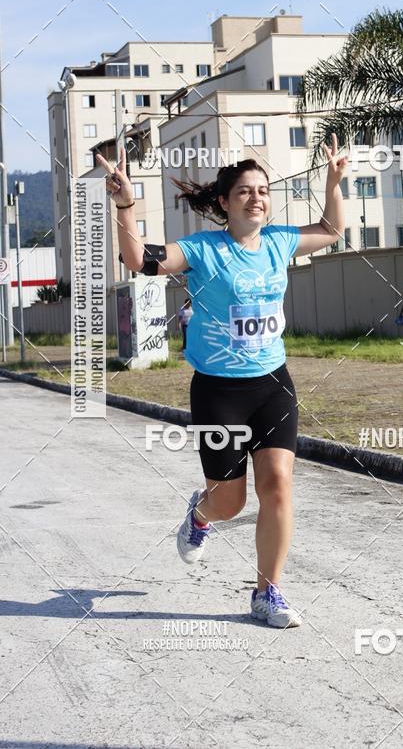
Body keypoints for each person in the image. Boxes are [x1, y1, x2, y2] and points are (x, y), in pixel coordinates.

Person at [98, 136, 347, 628]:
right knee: (231, 502)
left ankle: (267, 592)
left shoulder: (278, 241)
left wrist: (334, 181)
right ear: (223, 203)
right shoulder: (202, 250)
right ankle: (201, 514)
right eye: (245, 192)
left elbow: (332, 228)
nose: (257, 198)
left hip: (273, 384)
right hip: (219, 391)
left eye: (264, 190)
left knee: (277, 485)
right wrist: (126, 206)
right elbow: (138, 261)